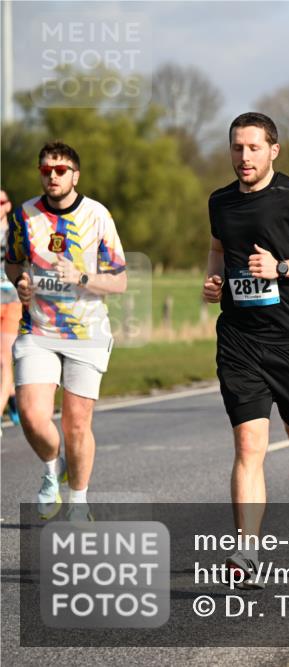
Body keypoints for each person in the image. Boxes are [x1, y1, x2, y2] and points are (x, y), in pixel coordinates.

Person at [203, 113, 289, 583]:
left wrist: (280, 268)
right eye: (237, 148)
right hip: (240, 338)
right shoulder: (219, 201)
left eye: (254, 148)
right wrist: (215, 279)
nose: (245, 157)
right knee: (248, 444)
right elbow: (220, 247)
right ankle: (248, 554)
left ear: (273, 150)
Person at [4, 142, 128, 521]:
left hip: (86, 333)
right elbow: (13, 264)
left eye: (60, 170)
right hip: (37, 329)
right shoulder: (24, 214)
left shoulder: (97, 216)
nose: (52, 176)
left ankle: (78, 502)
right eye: (46, 170)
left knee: (76, 423)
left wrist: (82, 277)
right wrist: (21, 283)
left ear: (75, 175)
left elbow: (119, 281)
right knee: (30, 415)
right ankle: (51, 468)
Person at [1, 189, 21, 425]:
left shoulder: (16, 235)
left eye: (1, 202)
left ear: (8, 206)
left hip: (12, 303)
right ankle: (12, 396)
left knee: (4, 360)